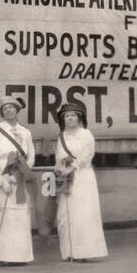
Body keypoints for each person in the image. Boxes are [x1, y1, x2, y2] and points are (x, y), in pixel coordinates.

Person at [0, 96, 36, 265]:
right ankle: (0, 256)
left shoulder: (25, 132)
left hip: (19, 176)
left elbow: (31, 156)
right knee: (1, 215)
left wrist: (21, 172)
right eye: (5, 109)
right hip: (1, 177)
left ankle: (19, 256)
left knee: (18, 215)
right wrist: (2, 178)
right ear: (1, 113)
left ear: (17, 110)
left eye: (11, 107)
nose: (9, 111)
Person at [54, 101, 107, 262]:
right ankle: (69, 252)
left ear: (79, 118)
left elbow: (87, 155)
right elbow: (58, 156)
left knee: (82, 213)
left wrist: (72, 167)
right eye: (67, 116)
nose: (69, 119)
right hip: (66, 177)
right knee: (64, 214)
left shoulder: (86, 134)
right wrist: (58, 169)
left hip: (83, 177)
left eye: (72, 116)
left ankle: (84, 252)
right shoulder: (61, 136)